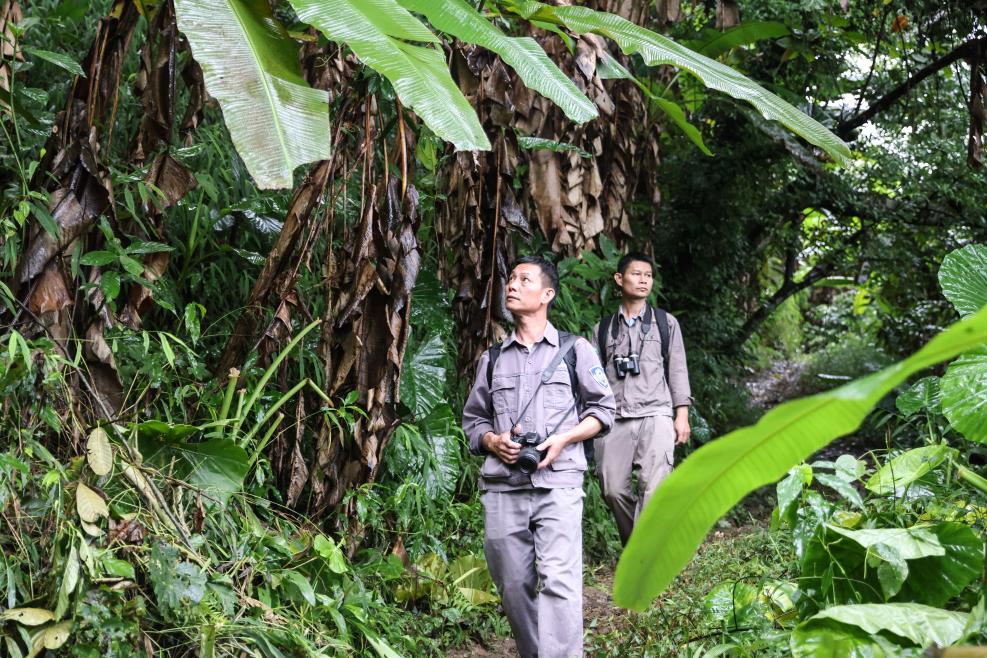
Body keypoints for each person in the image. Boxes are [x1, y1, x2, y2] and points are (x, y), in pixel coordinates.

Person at [462, 256, 616, 658]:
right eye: (510, 279)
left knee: (560, 582)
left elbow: (603, 411)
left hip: (559, 484)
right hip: (502, 488)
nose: (511, 285)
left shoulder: (575, 350)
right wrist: (493, 441)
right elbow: (473, 422)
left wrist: (564, 439)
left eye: (523, 279)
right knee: (513, 586)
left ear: (547, 294)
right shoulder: (492, 359)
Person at [592, 252, 692, 546]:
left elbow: (677, 368)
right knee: (611, 488)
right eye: (636, 274)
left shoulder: (665, 323)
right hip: (616, 418)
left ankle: (643, 558)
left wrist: (681, 414)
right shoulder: (603, 329)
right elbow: (594, 379)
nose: (643, 280)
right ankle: (636, 545)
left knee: (654, 487)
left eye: (648, 275)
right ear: (619, 280)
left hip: (656, 414)